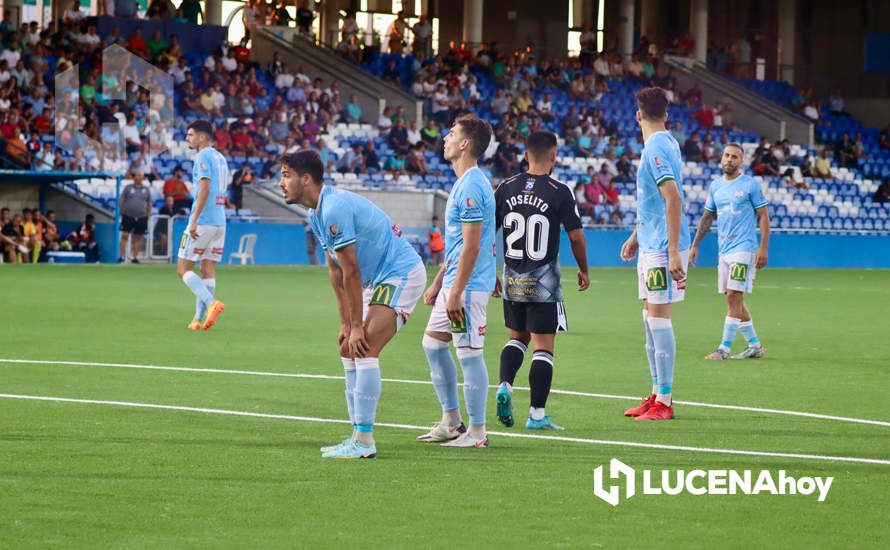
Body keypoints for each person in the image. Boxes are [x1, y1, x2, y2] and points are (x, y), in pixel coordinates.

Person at [279, 150, 426, 459]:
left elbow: (352, 271)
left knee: (366, 345)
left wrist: (358, 325)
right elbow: (335, 271)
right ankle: (357, 436)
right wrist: (346, 324)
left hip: (401, 272)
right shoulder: (315, 213)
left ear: (305, 179)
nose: (281, 183)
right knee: (349, 347)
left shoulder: (334, 209)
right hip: (378, 279)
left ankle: (364, 441)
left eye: (286, 175)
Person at [493, 131, 590, 431]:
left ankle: (505, 385)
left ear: (525, 155)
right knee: (544, 349)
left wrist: (489, 273)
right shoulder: (559, 191)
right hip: (544, 282)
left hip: (512, 278)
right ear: (554, 156)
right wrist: (584, 269)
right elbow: (575, 235)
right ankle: (536, 415)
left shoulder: (505, 187)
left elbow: (486, 234)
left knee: (516, 338)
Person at [417, 115, 496, 448]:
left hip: (469, 286)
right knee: (433, 345)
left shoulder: (473, 186)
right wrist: (439, 283)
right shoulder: (465, 183)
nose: (444, 138)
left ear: (465, 143)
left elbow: (473, 245)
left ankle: (477, 433)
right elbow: (458, 244)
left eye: (451, 133)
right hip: (454, 282)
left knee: (468, 355)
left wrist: (457, 292)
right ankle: (452, 422)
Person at [620, 87, 690, 422]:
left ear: (638, 115)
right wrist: (636, 234)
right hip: (651, 242)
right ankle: (655, 392)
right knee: (649, 321)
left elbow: (673, 198)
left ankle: (665, 400)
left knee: (659, 321)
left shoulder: (656, 147)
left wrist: (673, 251)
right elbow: (657, 200)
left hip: (663, 247)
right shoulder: (668, 143)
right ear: (666, 114)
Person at [690, 144, 770, 361]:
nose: (729, 160)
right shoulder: (716, 187)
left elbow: (763, 216)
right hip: (723, 250)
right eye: (726, 155)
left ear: (741, 162)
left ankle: (724, 349)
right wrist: (695, 244)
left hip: (744, 249)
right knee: (733, 299)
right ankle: (755, 345)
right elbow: (707, 217)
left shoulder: (750, 185)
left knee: (734, 296)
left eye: (734, 157)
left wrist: (763, 247)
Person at [177, 120, 228, 331]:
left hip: (204, 220)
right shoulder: (221, 158)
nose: (188, 138)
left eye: (190, 135)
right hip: (220, 221)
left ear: (202, 137)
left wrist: (194, 220)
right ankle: (197, 319)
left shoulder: (202, 156)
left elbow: (204, 188)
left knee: (183, 268)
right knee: (208, 268)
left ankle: (211, 303)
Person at [119, 171, 153, 264]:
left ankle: (134, 257)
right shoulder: (128, 188)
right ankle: (121, 257)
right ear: (134, 178)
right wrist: (122, 211)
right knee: (124, 236)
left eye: (140, 175)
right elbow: (122, 199)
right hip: (128, 216)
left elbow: (149, 202)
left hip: (142, 217)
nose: (138, 177)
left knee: (138, 237)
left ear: (142, 178)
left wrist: (148, 213)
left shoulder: (146, 189)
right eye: (137, 175)